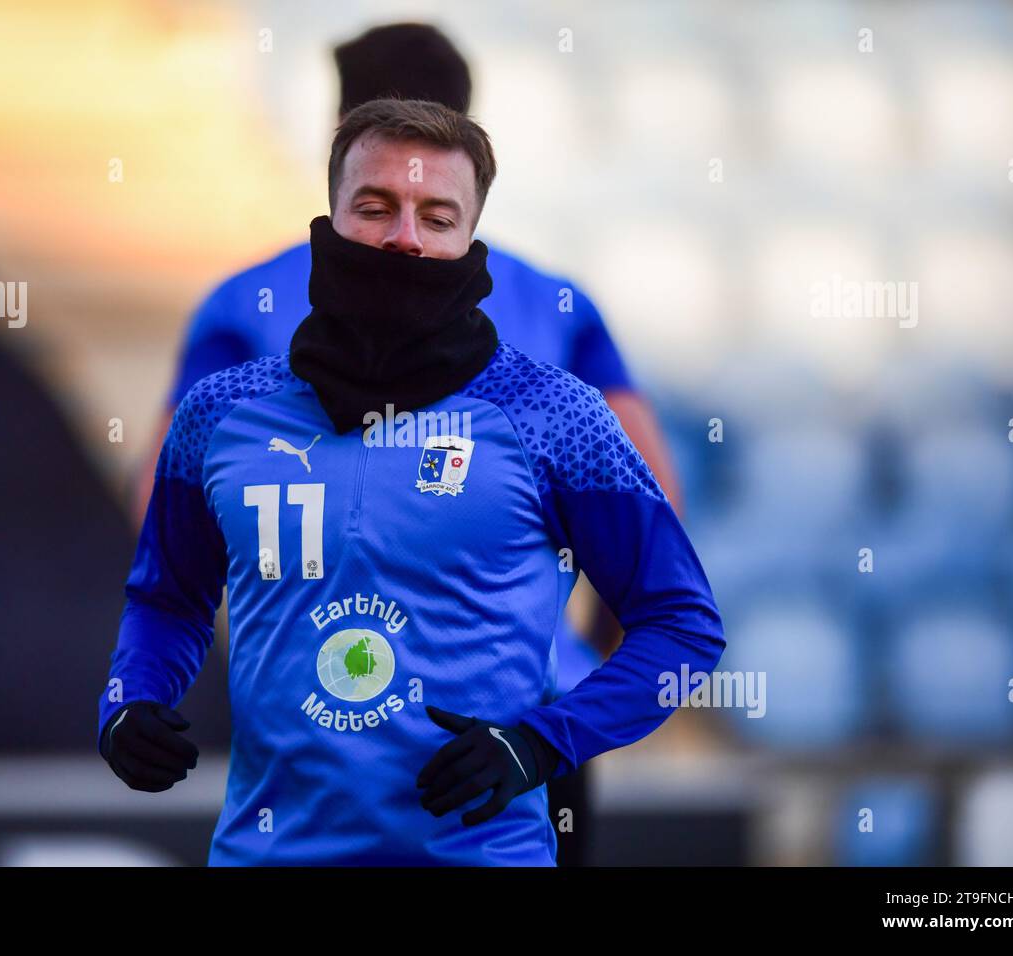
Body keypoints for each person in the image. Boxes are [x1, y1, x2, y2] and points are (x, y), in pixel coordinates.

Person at [98, 97, 725, 866]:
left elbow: (683, 626)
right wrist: (130, 703)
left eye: (436, 217)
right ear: (328, 220)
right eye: (376, 207)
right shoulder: (219, 414)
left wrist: (541, 742)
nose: (403, 238)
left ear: (470, 240)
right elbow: (168, 598)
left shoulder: (556, 417)